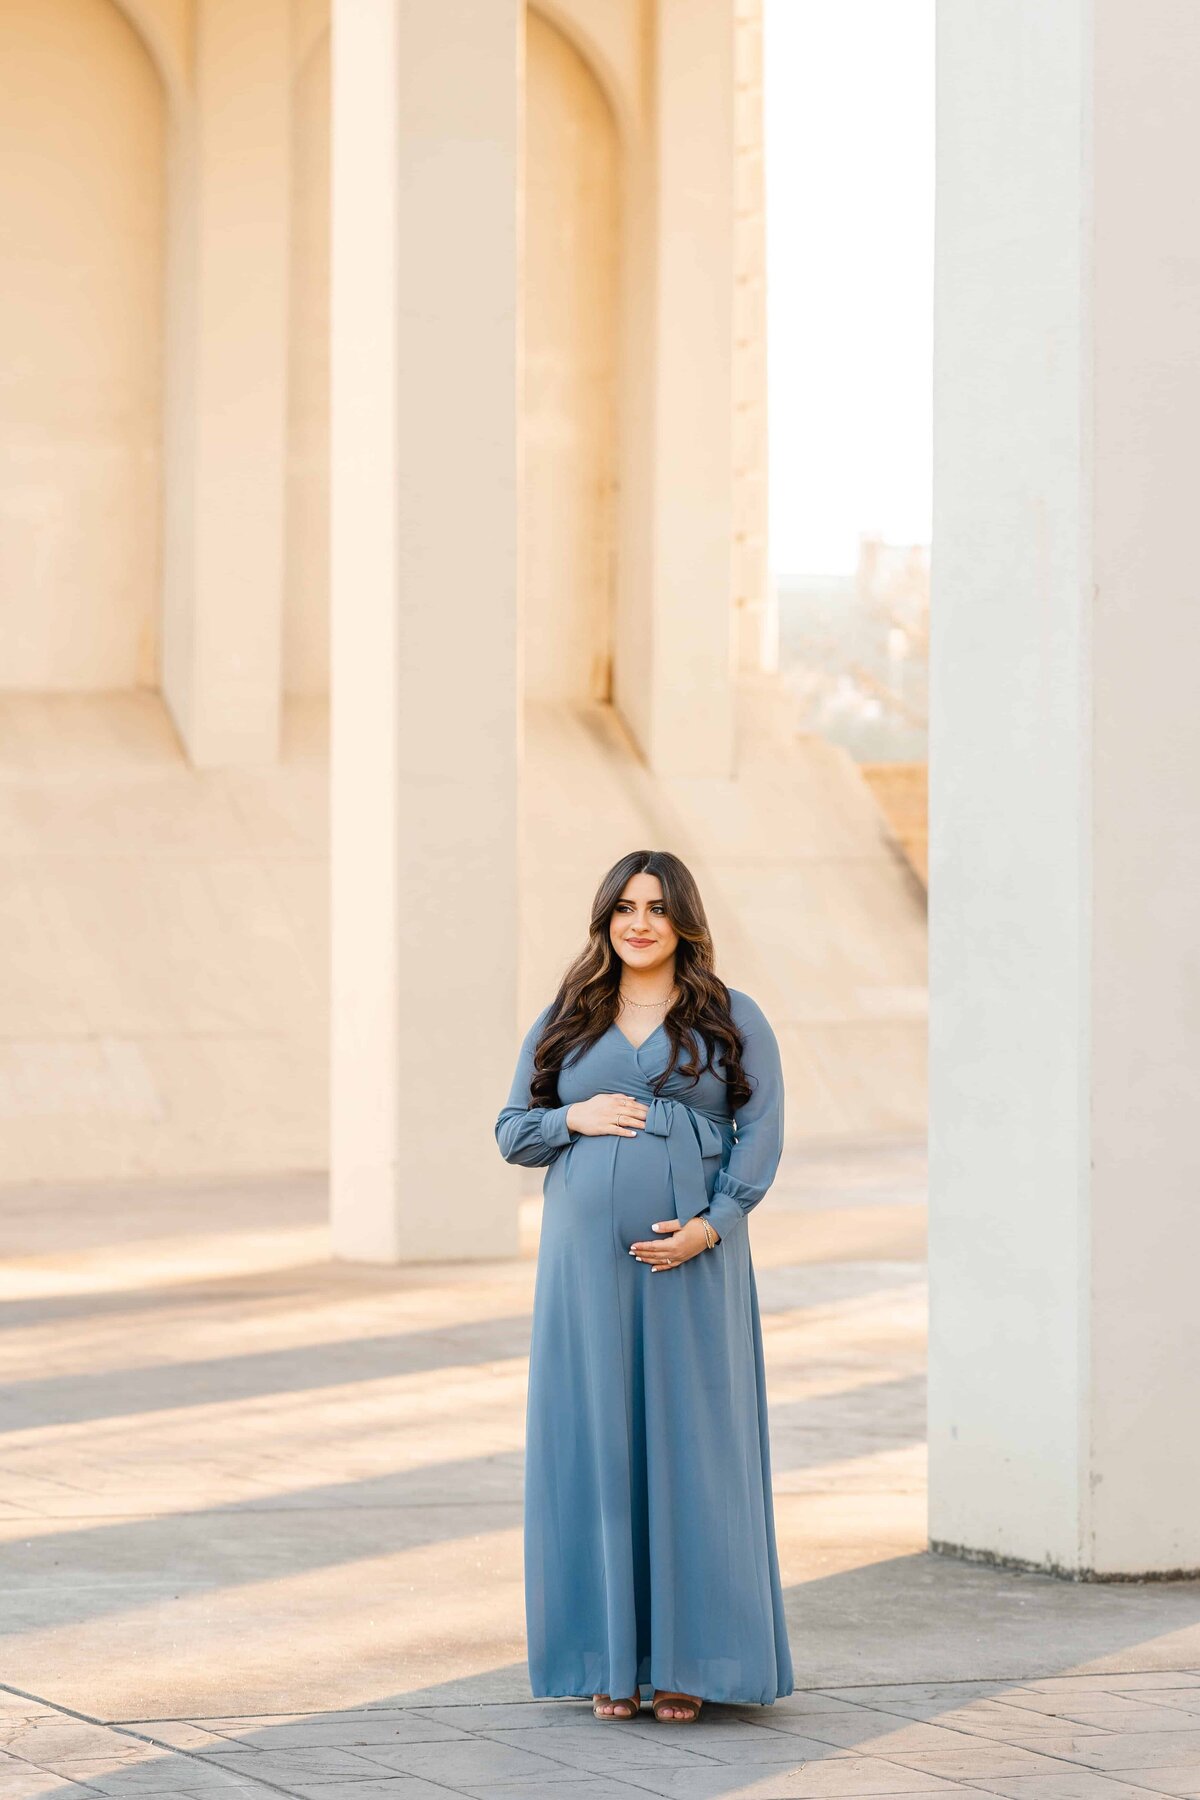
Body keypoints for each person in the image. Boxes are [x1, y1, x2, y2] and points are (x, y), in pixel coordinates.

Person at [495, 848, 793, 1724]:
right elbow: (514, 1131)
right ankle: (607, 1657)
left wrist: (710, 1226)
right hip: (584, 1274)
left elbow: (762, 1134)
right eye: (625, 906)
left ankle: (691, 1661)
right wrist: (571, 1117)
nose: (639, 921)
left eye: (657, 907)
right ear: (605, 918)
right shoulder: (569, 1017)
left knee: (695, 1448)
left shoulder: (735, 1017)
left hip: (692, 1265)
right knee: (595, 1444)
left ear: (683, 921)